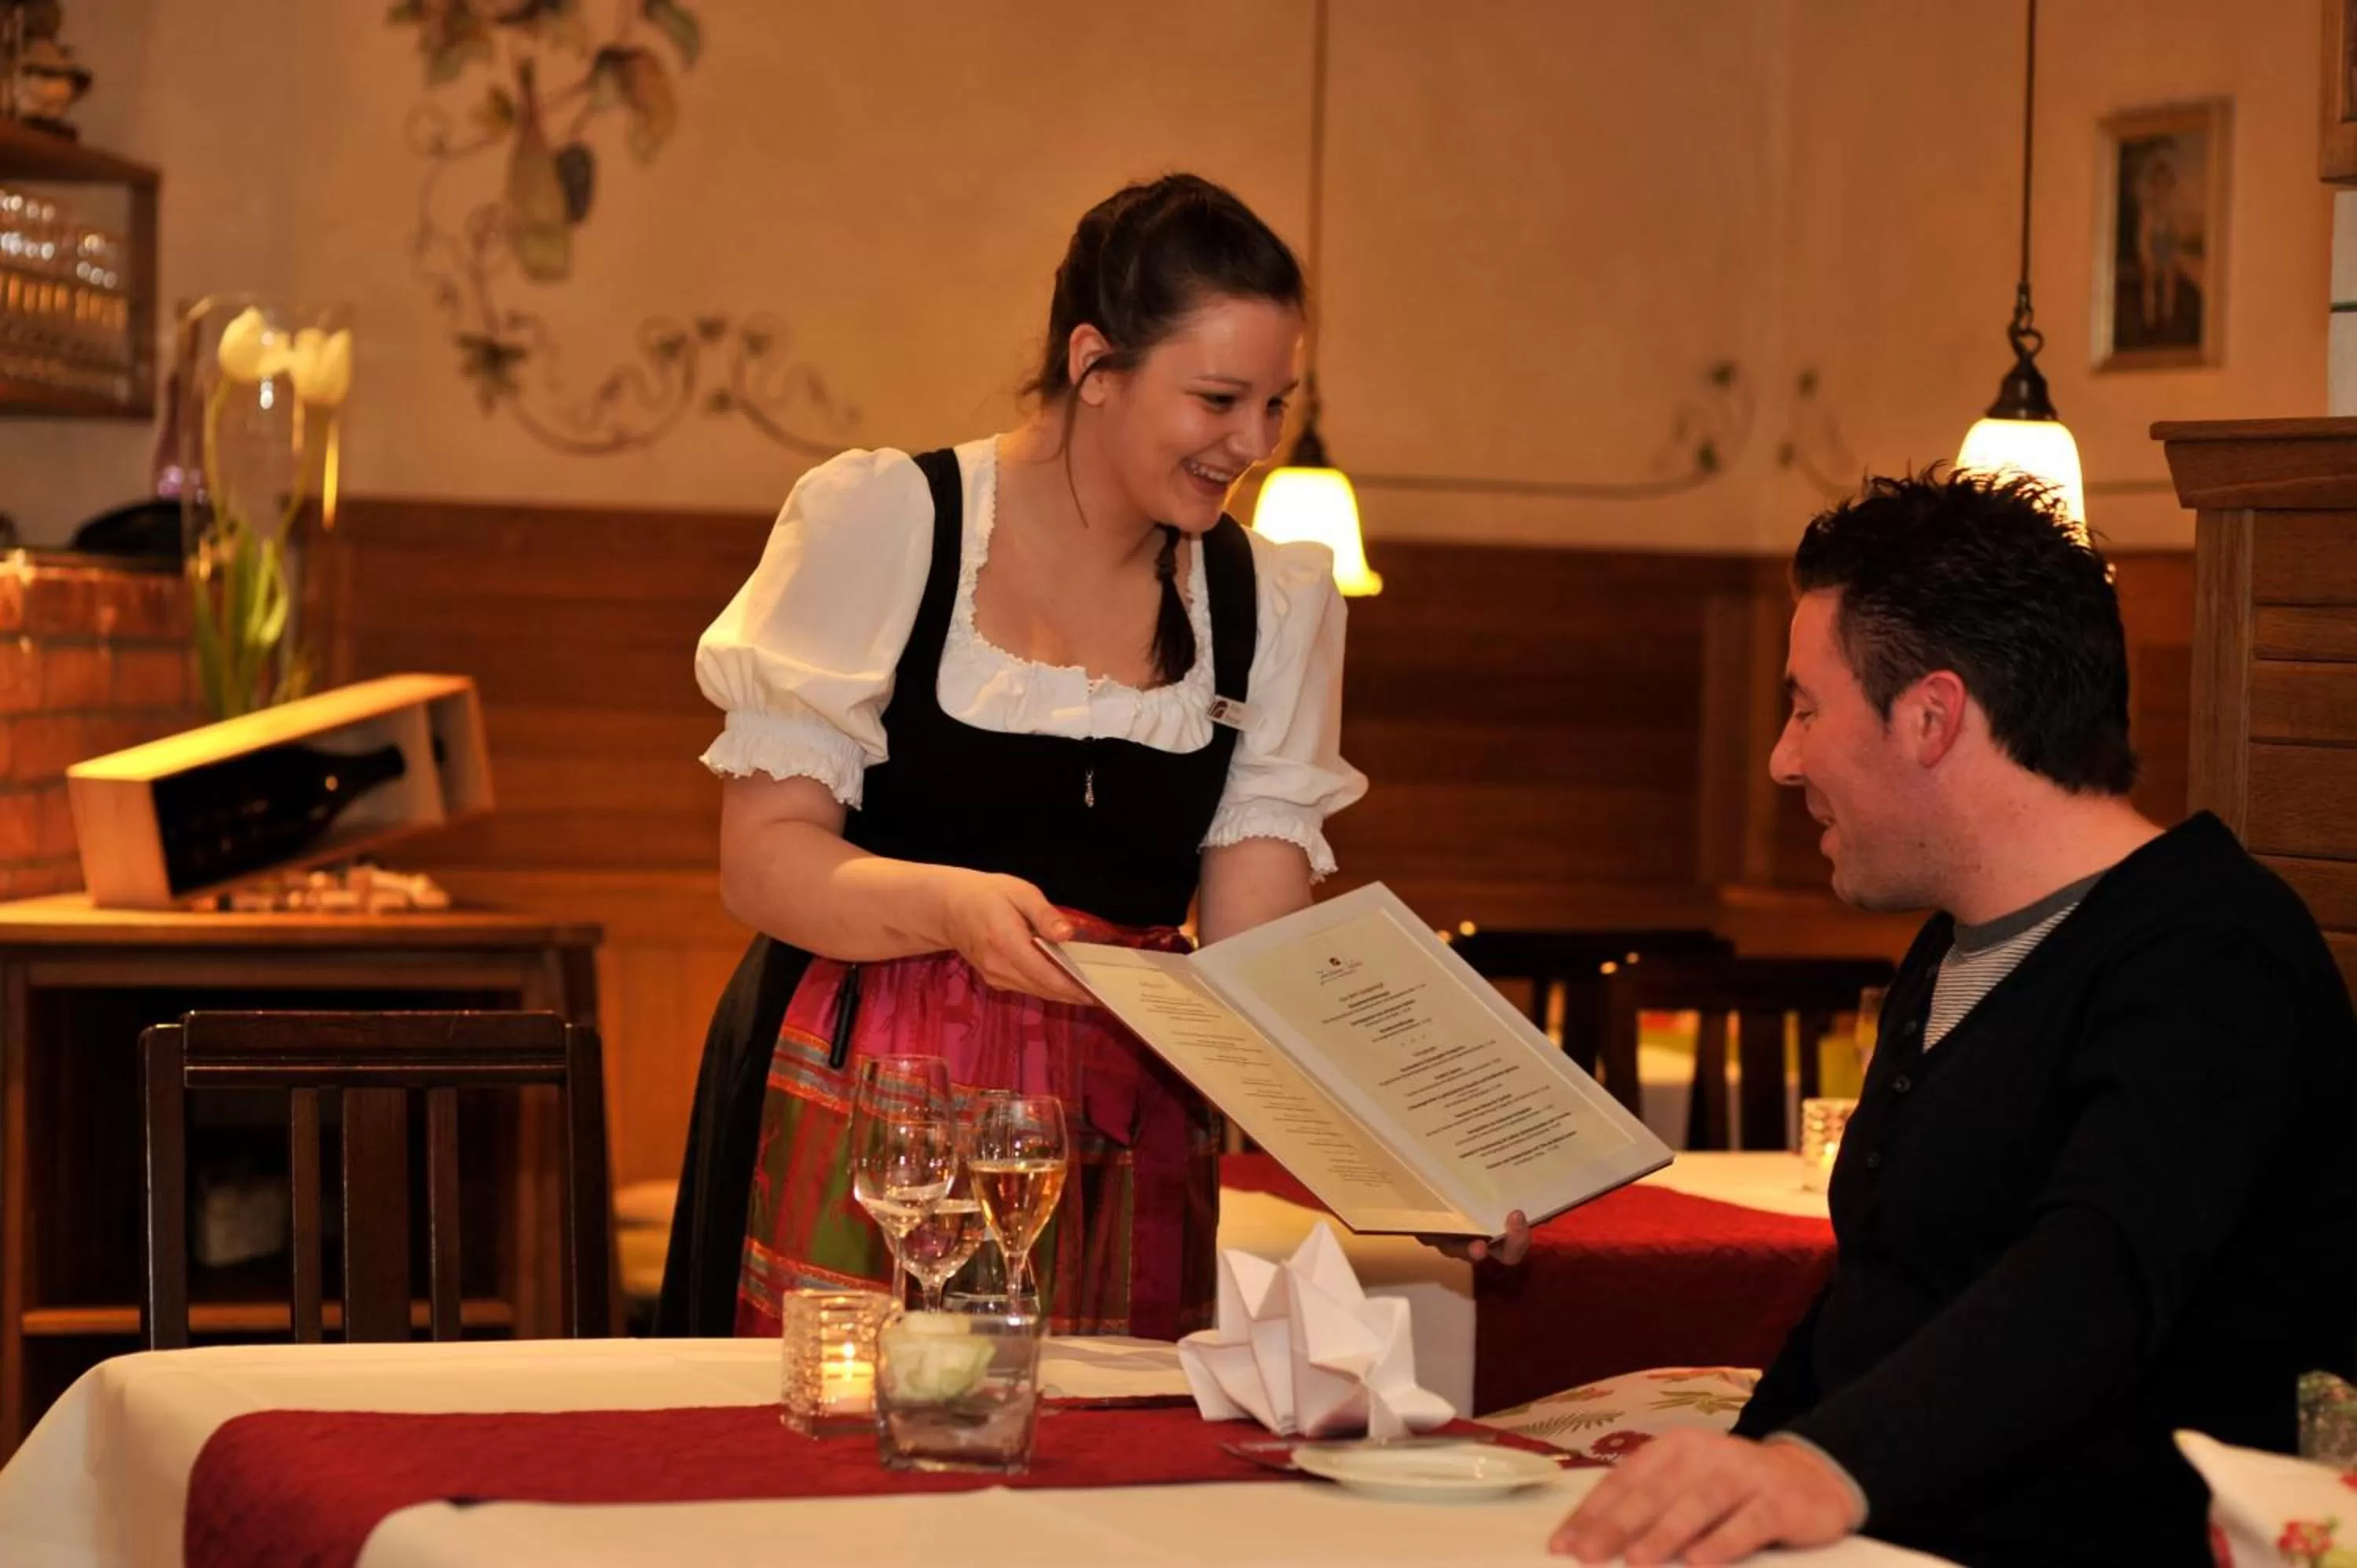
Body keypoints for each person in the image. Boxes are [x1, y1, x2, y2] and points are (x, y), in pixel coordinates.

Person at [1552, 469, 2357, 1566]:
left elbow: (2094, 1278)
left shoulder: (2215, 953)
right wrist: (1746, 1469)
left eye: (1804, 705)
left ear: (1931, 717)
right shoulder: (1955, 945)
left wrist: (1812, 1470)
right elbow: (1885, 1296)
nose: (1785, 760)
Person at [656, 173, 1366, 1343]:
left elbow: (1259, 961)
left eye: (1276, 405)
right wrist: (950, 907)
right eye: (1219, 399)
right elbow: (764, 864)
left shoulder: (1269, 601)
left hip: (1115, 1127)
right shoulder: (890, 520)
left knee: (1097, 1493)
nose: (1252, 444)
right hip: (864, 1111)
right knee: (838, 1488)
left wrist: (1407, 1154)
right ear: (1095, 365)